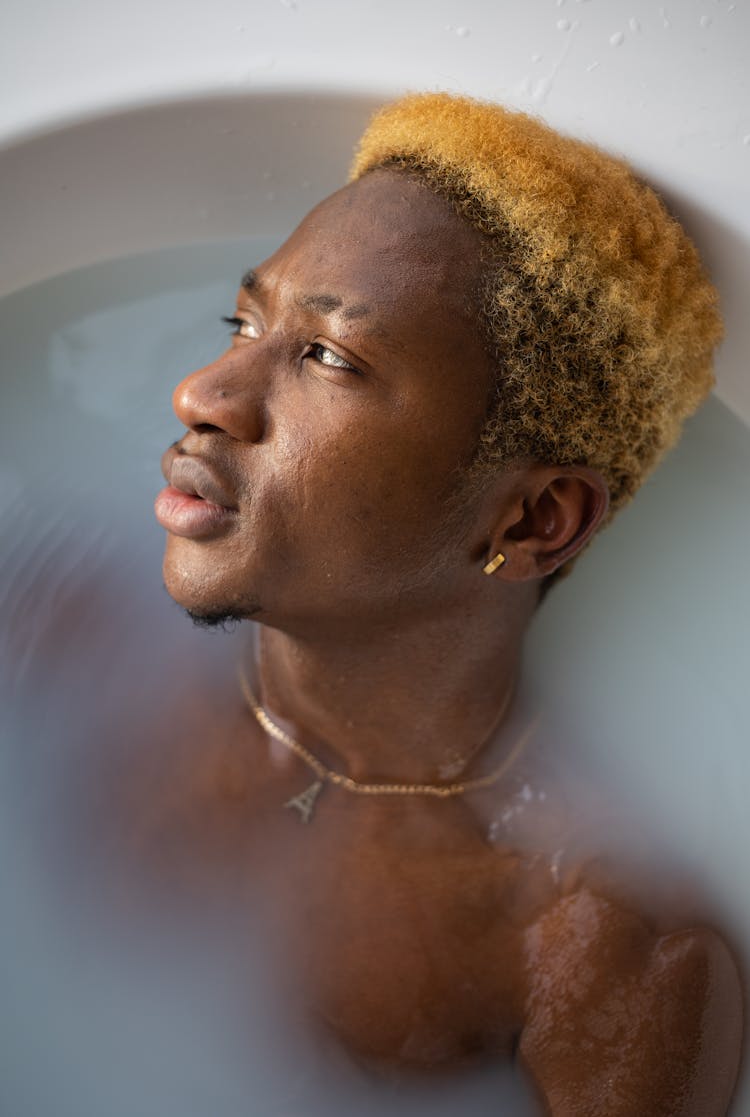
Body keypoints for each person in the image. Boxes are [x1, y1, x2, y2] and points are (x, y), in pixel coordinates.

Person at [153, 94, 743, 1113]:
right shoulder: (63, 632)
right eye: (242, 321)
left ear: (533, 522)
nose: (203, 393)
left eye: (328, 357)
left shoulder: (605, 954)